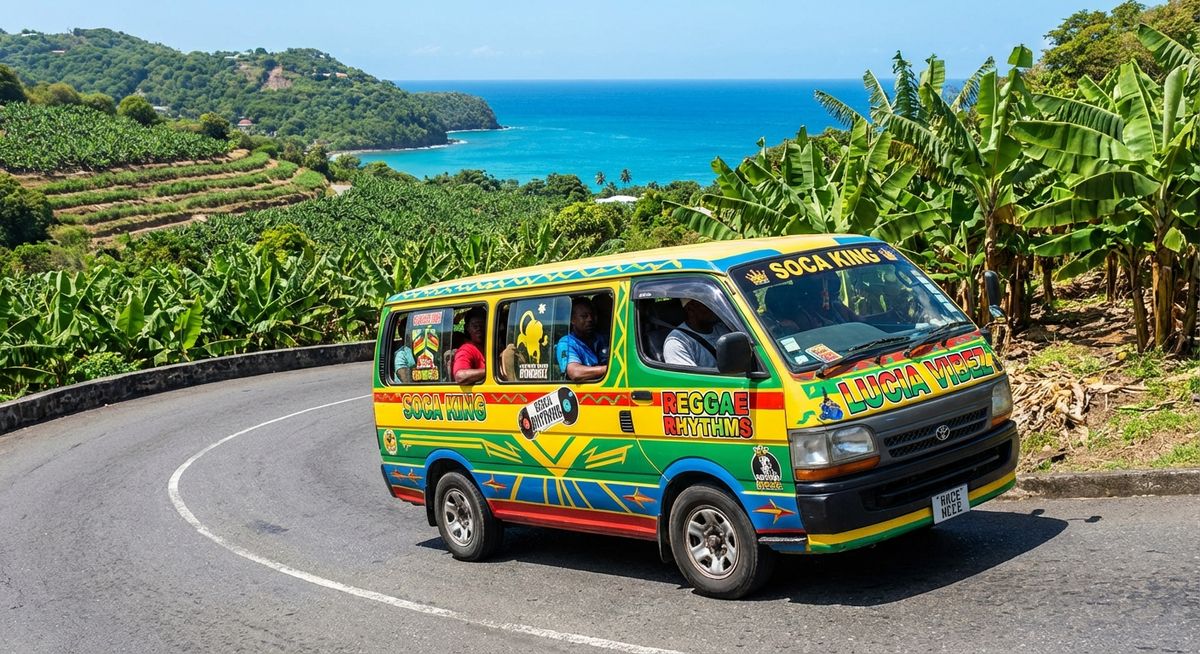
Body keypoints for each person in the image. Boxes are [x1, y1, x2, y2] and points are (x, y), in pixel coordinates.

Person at [663, 298, 729, 369]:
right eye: (707, 304)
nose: (714, 307)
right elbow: (688, 378)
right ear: (690, 309)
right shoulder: (677, 342)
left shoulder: (721, 327)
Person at [555, 297, 609, 382]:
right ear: (572, 320)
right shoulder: (567, 343)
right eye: (584, 316)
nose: (590, 319)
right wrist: (609, 369)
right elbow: (575, 373)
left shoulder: (599, 338)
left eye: (592, 315)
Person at [452, 307, 487, 384]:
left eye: (482, 325)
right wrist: (490, 372)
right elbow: (460, 376)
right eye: (475, 326)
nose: (479, 328)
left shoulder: (491, 346)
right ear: (468, 328)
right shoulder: (467, 349)